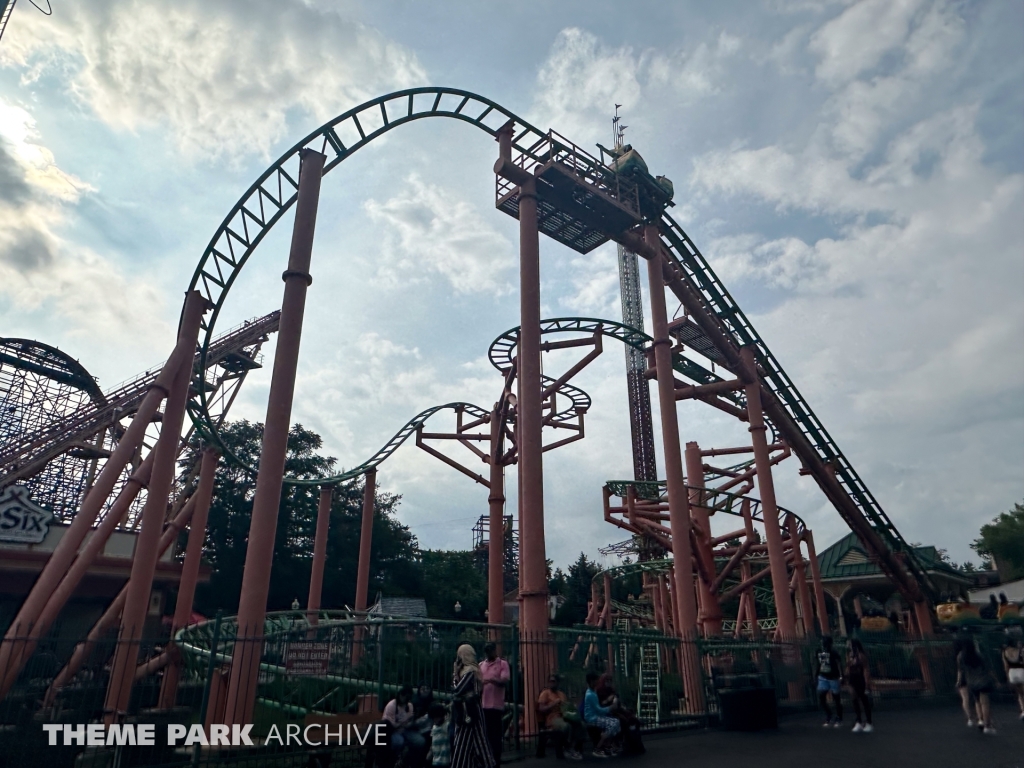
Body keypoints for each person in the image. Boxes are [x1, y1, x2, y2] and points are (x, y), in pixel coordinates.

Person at [451, 644, 494, 768]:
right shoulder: (467, 671)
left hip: (470, 710)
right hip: (466, 710)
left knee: (473, 741)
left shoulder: (470, 671)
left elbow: (457, 689)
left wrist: (455, 675)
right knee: (476, 741)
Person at [536, 674, 584, 761]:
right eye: (550, 681)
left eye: (553, 681)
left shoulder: (561, 694)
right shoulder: (545, 693)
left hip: (565, 716)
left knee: (580, 724)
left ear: (558, 683)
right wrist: (553, 703)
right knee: (566, 726)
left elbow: (567, 707)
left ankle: (572, 747)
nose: (551, 683)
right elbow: (541, 708)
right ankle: (567, 748)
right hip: (553, 718)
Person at [956, 635, 996, 734]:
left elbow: (960, 670)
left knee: (977, 702)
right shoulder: (978, 655)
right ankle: (987, 725)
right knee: (985, 704)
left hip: (971, 682)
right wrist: (995, 680)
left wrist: (959, 681)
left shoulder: (961, 656)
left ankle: (980, 720)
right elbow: (987, 668)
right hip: (982, 681)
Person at [479, 642, 510, 765]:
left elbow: (504, 680)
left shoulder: (502, 664)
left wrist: (491, 680)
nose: (489, 653)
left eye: (490, 650)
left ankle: (496, 760)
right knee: (484, 734)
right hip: (483, 705)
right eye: (487, 651)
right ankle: (486, 759)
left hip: (495, 705)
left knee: (495, 736)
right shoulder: (481, 665)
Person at [384, 685, 426, 766]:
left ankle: (407, 760)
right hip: (393, 731)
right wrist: (403, 722)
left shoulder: (409, 706)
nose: (404, 698)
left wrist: (410, 723)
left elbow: (409, 721)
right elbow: (392, 725)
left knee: (420, 741)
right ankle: (393, 760)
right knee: (399, 742)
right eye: (403, 695)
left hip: (405, 730)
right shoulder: (392, 705)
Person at [583, 671, 620, 758]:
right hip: (592, 718)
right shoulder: (590, 695)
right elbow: (599, 710)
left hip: (596, 716)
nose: (597, 682)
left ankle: (607, 744)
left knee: (617, 722)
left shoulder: (593, 692)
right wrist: (611, 707)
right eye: (596, 680)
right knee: (613, 724)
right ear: (591, 681)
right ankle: (598, 748)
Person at [815, 636, 844, 727]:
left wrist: (841, 675)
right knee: (822, 697)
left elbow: (839, 664)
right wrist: (816, 675)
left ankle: (839, 717)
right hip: (823, 676)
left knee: (836, 699)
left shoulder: (834, 652)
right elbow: (818, 663)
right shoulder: (819, 651)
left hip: (833, 677)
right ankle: (829, 715)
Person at [845, 639, 873, 733]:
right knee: (854, 699)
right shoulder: (849, 656)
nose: (848, 646)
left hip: (860, 679)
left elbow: (865, 669)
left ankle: (869, 722)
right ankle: (858, 721)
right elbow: (848, 667)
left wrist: (867, 682)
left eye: (850, 645)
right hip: (852, 679)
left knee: (864, 700)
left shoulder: (861, 656)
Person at [1001, 626, 1024, 720]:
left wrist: (1008, 677)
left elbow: (1006, 665)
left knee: (1019, 693)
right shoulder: (1020, 650)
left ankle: (1023, 710)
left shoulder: (1005, 651)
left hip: (1012, 673)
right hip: (1021, 671)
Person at [428, 703, 451, 768]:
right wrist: (430, 752)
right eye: (433, 718)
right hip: (436, 760)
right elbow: (432, 742)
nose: (435, 720)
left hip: (446, 760)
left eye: (437, 717)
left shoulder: (447, 725)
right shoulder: (434, 727)